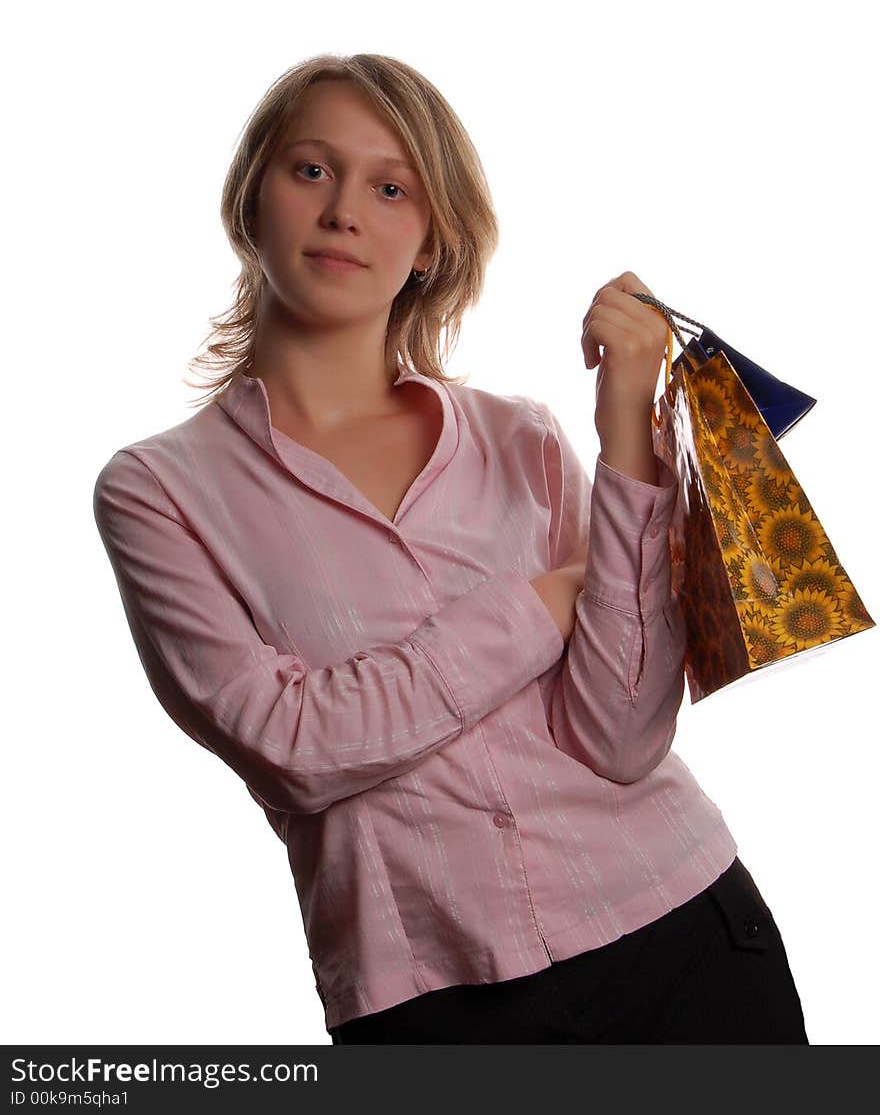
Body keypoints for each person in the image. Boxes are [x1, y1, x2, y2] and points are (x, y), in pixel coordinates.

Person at [92, 53, 809, 1044]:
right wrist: (543, 606)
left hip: (684, 932)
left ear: (428, 242)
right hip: (431, 1008)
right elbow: (300, 748)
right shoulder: (159, 493)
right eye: (310, 170)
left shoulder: (523, 440)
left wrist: (626, 438)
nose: (344, 209)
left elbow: (622, 736)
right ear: (250, 197)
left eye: (391, 188)